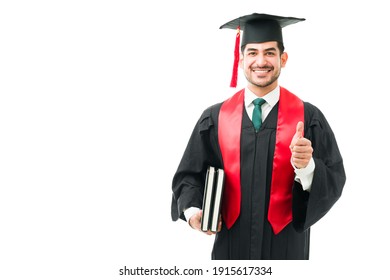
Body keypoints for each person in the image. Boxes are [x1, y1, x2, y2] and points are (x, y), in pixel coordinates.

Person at [171, 13, 346, 260]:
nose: (260, 61)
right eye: (252, 53)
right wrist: (193, 211)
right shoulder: (215, 118)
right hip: (231, 248)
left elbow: (335, 179)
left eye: (270, 53)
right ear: (241, 59)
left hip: (286, 250)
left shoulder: (308, 118)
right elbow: (189, 175)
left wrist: (307, 168)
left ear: (283, 59)